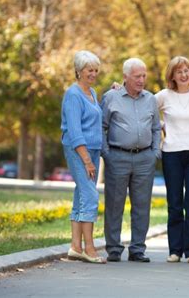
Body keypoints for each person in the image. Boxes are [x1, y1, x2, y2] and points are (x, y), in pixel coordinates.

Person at [101, 57, 162, 263]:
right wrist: (106, 153)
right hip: (117, 157)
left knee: (142, 205)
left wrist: (155, 152)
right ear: (125, 76)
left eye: (144, 75)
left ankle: (137, 249)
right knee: (115, 204)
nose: (142, 80)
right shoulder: (111, 97)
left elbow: (156, 128)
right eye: (137, 76)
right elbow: (102, 126)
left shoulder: (150, 99)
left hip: (145, 158)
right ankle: (114, 249)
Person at [155, 56, 189, 264]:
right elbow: (143, 107)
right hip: (172, 153)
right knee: (175, 203)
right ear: (172, 75)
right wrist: (161, 125)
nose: (184, 75)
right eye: (179, 72)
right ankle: (175, 250)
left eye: (186, 70)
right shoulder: (164, 96)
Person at [61, 50, 106, 264]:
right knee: (90, 197)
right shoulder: (73, 94)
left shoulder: (92, 93)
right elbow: (75, 130)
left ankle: (75, 247)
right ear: (79, 71)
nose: (93, 73)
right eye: (90, 70)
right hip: (80, 150)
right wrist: (86, 160)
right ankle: (89, 248)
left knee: (81, 195)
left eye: (96, 70)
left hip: (93, 150)